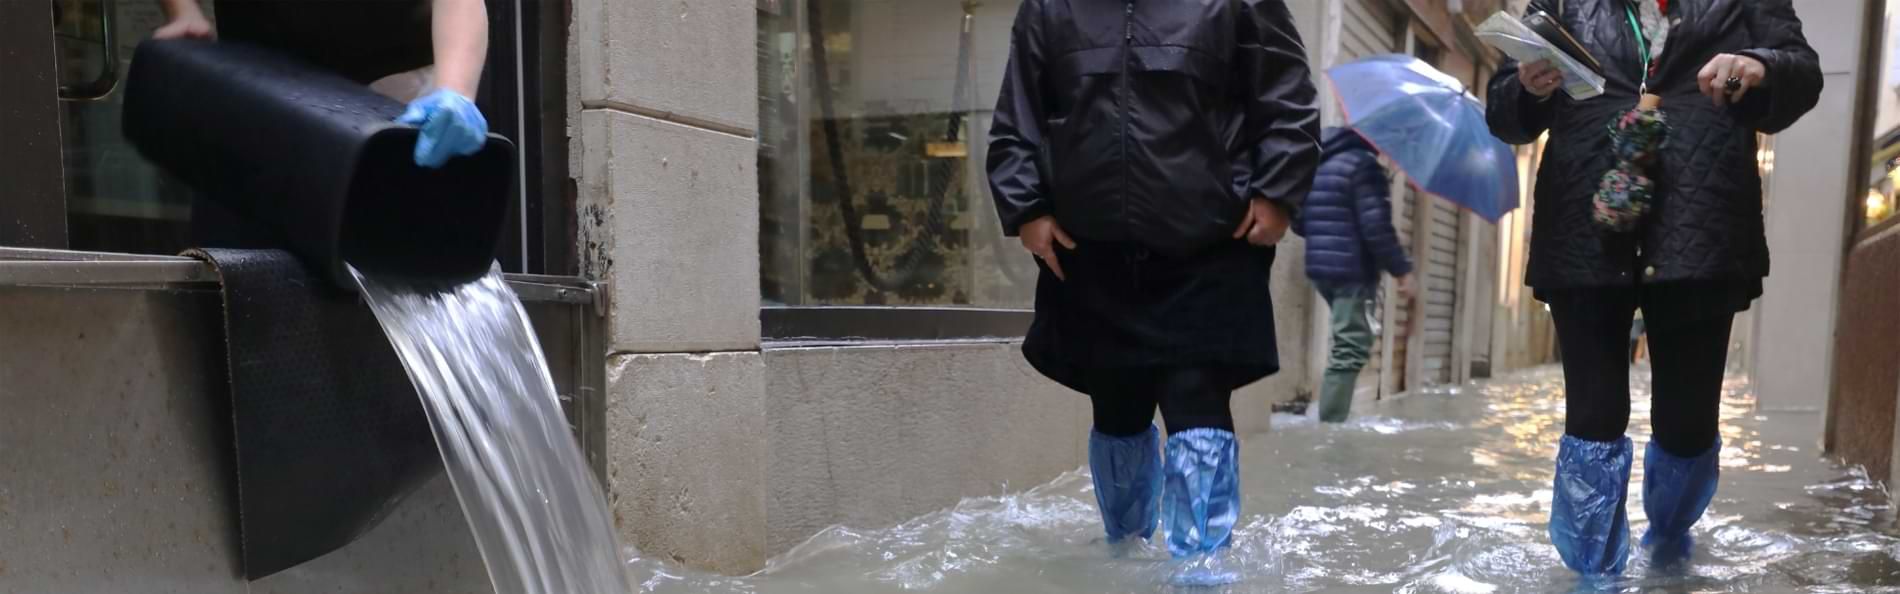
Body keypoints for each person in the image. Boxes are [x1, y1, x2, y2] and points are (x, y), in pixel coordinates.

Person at [987, 0, 1319, 585]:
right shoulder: (1050, 8)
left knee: (1197, 403)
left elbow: (1286, 99)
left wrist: (1278, 192)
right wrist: (1026, 207)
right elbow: (1019, 115)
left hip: (1209, 245)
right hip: (1091, 251)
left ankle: (1202, 570)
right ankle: (1123, 559)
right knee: (1117, 411)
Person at [1487, 0, 1820, 578]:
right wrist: (1527, 87)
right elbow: (1504, 114)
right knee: (1592, 418)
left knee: (1687, 425)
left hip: (1701, 228)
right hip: (1585, 225)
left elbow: (1802, 74)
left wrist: (1760, 66)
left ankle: (1669, 540)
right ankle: (1593, 574)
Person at [153, 0, 490, 168]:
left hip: (398, 85)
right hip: (259, 85)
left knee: (408, 239)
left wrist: (455, 91)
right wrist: (182, 11)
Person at [1295, 127, 1416, 424]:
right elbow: (1376, 228)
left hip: (1321, 268)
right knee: (1350, 347)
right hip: (1352, 270)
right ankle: (1331, 428)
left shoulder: (1324, 161)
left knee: (1345, 341)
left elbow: (1299, 219)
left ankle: (1333, 413)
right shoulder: (1365, 166)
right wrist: (1402, 271)